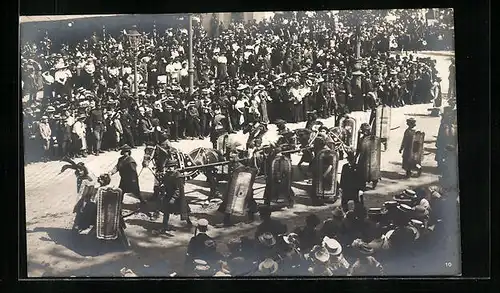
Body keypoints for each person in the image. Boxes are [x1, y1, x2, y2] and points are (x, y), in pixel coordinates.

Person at [158, 159, 192, 233]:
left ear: (175, 167)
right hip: (168, 195)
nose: (170, 168)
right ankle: (164, 226)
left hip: (178, 198)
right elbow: (164, 183)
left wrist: (173, 198)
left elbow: (178, 190)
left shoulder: (178, 176)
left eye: (171, 167)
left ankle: (189, 222)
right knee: (166, 210)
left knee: (183, 210)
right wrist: (161, 186)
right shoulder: (167, 175)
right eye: (168, 167)